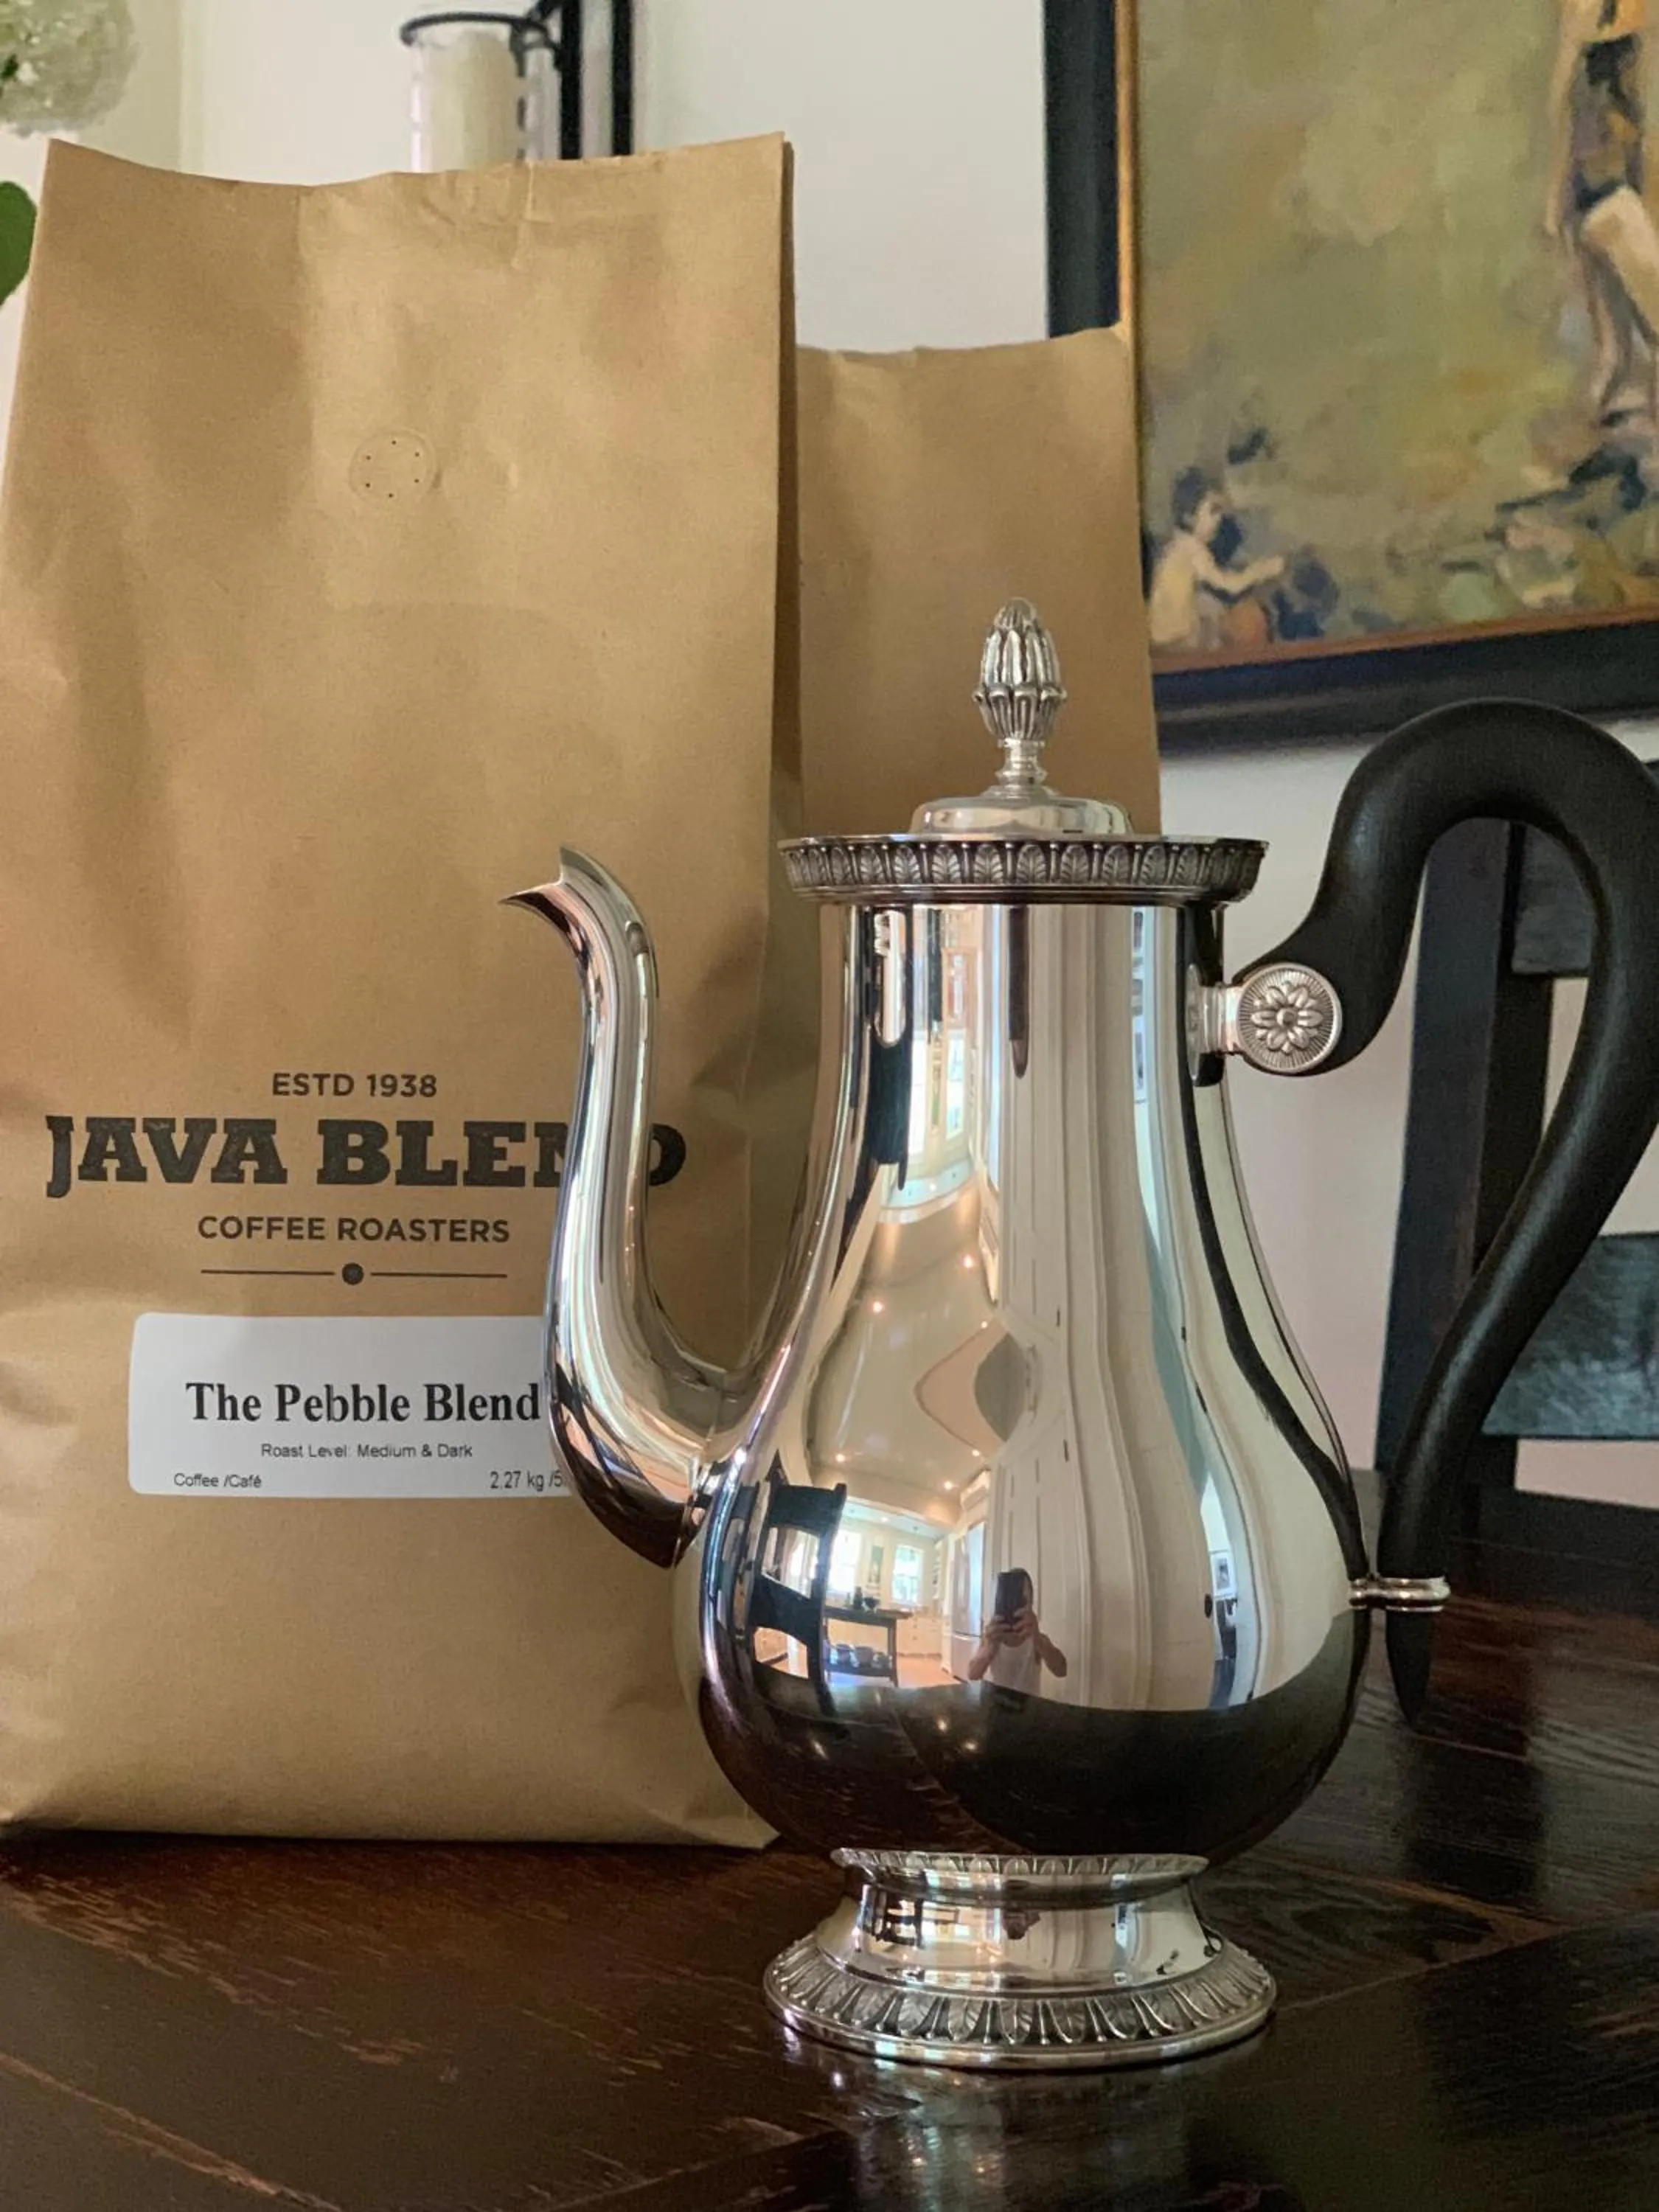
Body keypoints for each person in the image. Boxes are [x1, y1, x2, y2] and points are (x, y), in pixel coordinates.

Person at [1545, 0, 1659, 432]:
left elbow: (1631, 115)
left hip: (1598, 192)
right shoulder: (1590, 7)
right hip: (1604, 190)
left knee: (1616, 359)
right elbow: (1564, 101)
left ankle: (1591, 461)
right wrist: (1553, 197)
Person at [1148, 470, 1285, 652]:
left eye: (1220, 511)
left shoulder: (1177, 544)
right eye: (1213, 511)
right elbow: (1230, 585)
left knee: (1209, 605)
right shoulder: (1193, 549)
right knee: (1243, 618)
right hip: (1177, 640)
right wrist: (1262, 571)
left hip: (1160, 634)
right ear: (1189, 517)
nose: (1219, 519)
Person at [966, 1568, 1068, 1693]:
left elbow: (1062, 1671)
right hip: (998, 1706)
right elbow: (972, 1675)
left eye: (1021, 1601)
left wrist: (1038, 1639)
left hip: (1029, 1710)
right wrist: (989, 1650)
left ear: (1031, 1604)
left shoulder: (1036, 1640)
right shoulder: (993, 1637)